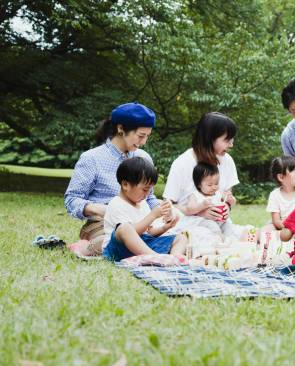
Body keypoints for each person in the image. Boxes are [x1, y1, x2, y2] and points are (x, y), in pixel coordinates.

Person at [64, 102, 170, 258]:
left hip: (141, 221)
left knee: (176, 236)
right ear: (121, 128)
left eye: (147, 136)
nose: (144, 142)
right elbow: (71, 199)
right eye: (141, 136)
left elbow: (150, 196)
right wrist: (103, 209)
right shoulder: (92, 158)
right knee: (119, 242)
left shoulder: (144, 158)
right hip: (102, 223)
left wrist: (165, 212)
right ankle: (85, 247)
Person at [102, 157, 187, 262]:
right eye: (145, 189)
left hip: (142, 246)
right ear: (125, 185)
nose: (147, 194)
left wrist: (165, 227)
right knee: (124, 228)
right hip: (118, 249)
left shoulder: (143, 204)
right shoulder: (116, 204)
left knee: (181, 238)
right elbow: (130, 232)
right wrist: (152, 215)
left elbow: (148, 233)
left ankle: (174, 260)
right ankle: (158, 258)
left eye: (149, 190)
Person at [163, 112, 238, 221]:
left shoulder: (227, 160)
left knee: (254, 234)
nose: (231, 145)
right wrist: (198, 212)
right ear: (210, 138)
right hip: (189, 226)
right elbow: (168, 207)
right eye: (227, 140)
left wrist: (227, 206)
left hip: (221, 224)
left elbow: (227, 197)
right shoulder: (182, 163)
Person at [173, 162, 246, 241]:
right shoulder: (195, 195)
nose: (214, 187)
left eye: (216, 183)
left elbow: (231, 203)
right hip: (203, 221)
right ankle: (220, 239)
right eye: (210, 185)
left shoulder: (218, 193)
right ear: (199, 185)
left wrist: (231, 200)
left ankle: (234, 238)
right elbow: (189, 209)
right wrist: (202, 205)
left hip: (220, 220)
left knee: (228, 225)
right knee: (212, 225)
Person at [266, 156, 295, 230]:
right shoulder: (274, 195)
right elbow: (276, 221)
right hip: (282, 227)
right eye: (293, 170)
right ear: (281, 177)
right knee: (267, 229)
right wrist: (289, 229)